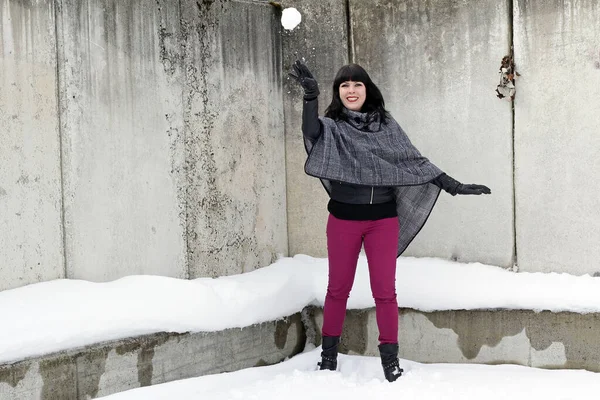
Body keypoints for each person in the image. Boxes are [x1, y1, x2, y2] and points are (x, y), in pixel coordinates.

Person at [289, 59, 491, 383]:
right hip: (343, 220)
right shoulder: (333, 126)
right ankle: (328, 357)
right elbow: (310, 132)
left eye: (357, 84)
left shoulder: (385, 124)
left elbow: (413, 160)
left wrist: (453, 185)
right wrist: (310, 97)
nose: (351, 90)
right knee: (337, 289)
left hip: (383, 220)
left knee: (385, 292)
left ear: (367, 89)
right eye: (344, 85)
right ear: (337, 92)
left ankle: (390, 361)